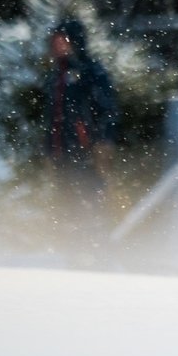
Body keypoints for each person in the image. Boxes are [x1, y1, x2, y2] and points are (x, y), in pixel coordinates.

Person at [43, 18, 119, 263]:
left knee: (90, 201)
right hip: (62, 152)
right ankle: (74, 254)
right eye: (55, 40)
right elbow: (51, 116)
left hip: (85, 151)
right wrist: (49, 150)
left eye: (62, 39)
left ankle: (97, 254)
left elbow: (107, 109)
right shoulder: (57, 75)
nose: (57, 45)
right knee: (67, 203)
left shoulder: (91, 71)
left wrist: (102, 142)